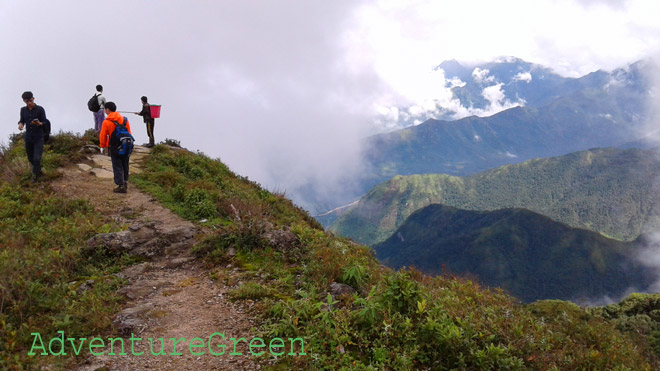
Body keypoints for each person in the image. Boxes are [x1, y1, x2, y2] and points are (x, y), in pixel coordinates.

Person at [99, 102, 132, 193]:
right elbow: (129, 133)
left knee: (117, 165)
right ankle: (125, 182)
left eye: (105, 109)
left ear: (108, 109)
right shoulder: (124, 120)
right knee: (125, 164)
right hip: (126, 145)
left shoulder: (107, 122)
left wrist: (103, 146)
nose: (105, 111)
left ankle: (120, 185)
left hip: (114, 146)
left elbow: (103, 135)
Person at [17, 91, 50, 182]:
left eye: (30, 100)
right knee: (30, 158)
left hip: (38, 137)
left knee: (36, 158)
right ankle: (39, 171)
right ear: (24, 101)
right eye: (27, 101)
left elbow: (45, 121)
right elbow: (22, 120)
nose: (29, 103)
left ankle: (35, 177)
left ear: (33, 98)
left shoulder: (40, 109)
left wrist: (39, 123)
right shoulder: (23, 110)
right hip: (28, 137)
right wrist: (21, 125)